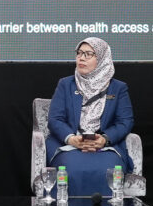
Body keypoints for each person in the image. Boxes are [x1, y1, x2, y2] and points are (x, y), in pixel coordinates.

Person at [46, 37, 134, 197]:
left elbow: (125, 122)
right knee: (70, 168)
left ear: (102, 59)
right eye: (79, 53)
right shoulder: (65, 84)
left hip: (104, 147)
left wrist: (104, 139)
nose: (81, 58)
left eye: (88, 54)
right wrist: (72, 139)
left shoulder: (118, 88)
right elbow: (55, 119)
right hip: (70, 146)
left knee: (109, 171)